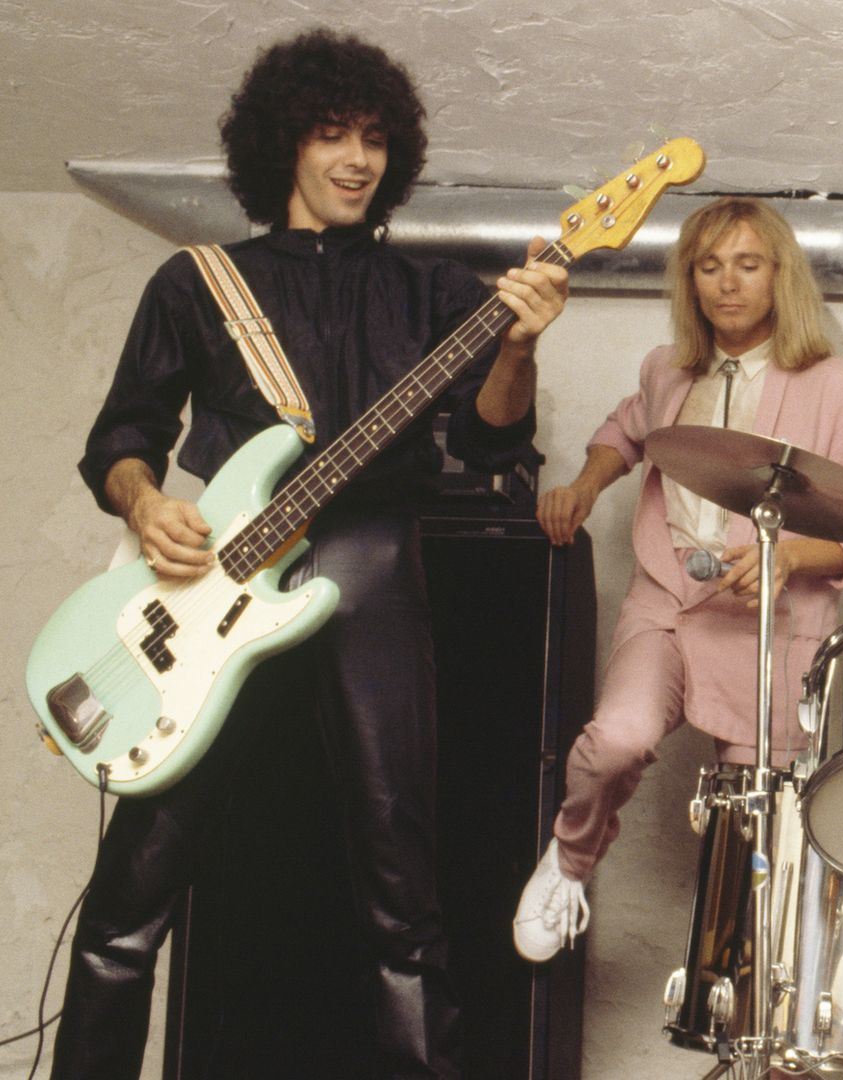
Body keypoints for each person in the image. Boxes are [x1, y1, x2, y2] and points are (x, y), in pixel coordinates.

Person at [57, 29, 568, 1080]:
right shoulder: (197, 282)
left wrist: (516, 345)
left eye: (375, 138)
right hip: (218, 579)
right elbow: (122, 440)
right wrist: (146, 501)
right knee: (130, 897)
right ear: (282, 144)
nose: (356, 157)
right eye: (332, 132)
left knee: (402, 884)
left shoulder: (435, 292)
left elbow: (493, 443)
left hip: (370, 556)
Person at [511, 196, 843, 962]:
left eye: (747, 265)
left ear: (780, 276)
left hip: (768, 622)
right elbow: (626, 429)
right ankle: (570, 861)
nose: (727, 284)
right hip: (667, 595)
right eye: (709, 267)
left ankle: (747, 1006)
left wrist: (786, 555)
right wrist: (586, 487)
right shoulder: (666, 370)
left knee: (754, 829)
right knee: (616, 740)